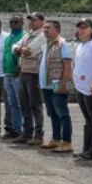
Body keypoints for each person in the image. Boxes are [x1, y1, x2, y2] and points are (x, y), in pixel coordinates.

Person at [12, 13, 48, 146]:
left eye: (34, 20)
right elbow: (16, 46)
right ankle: (27, 132)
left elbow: (30, 51)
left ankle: (38, 134)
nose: (31, 22)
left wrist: (19, 50)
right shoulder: (28, 34)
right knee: (24, 104)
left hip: (34, 73)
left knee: (35, 105)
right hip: (24, 71)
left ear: (42, 21)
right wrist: (18, 49)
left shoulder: (43, 35)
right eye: (30, 20)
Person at [38, 20, 73, 153]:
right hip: (45, 85)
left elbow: (67, 65)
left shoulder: (63, 44)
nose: (45, 30)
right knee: (52, 113)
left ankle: (67, 141)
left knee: (62, 113)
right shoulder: (45, 44)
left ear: (57, 29)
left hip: (57, 83)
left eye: (48, 28)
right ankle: (56, 139)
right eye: (44, 28)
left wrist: (64, 83)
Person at [73, 18, 92, 160]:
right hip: (80, 87)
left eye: (85, 27)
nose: (82, 30)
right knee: (88, 120)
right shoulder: (80, 45)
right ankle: (86, 148)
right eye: (80, 27)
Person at [2, 16, 25, 140]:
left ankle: (23, 129)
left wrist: (19, 68)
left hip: (18, 74)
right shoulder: (8, 38)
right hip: (7, 73)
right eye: (11, 22)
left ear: (22, 23)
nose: (13, 24)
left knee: (21, 102)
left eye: (16, 22)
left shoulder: (24, 36)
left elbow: (23, 55)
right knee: (12, 103)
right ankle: (16, 129)